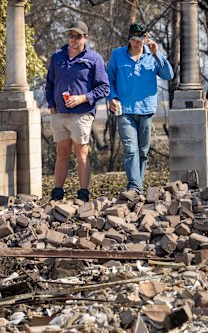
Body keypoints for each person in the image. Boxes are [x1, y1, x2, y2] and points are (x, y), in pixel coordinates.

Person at [106, 22, 174, 199]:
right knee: (130, 149)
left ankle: (138, 189)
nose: (137, 43)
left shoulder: (153, 56)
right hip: (125, 110)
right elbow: (109, 80)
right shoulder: (117, 55)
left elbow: (169, 75)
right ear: (129, 38)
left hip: (146, 110)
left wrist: (157, 53)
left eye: (140, 40)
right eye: (134, 39)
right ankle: (134, 186)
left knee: (143, 151)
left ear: (146, 39)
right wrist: (111, 97)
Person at [45, 21, 110, 202]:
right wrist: (51, 105)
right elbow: (49, 83)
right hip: (59, 114)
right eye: (71, 36)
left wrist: (82, 98)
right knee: (61, 153)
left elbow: (104, 88)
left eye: (78, 36)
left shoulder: (94, 59)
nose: (73, 40)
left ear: (85, 38)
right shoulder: (57, 57)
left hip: (82, 114)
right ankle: (57, 193)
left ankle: (83, 194)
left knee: (81, 153)